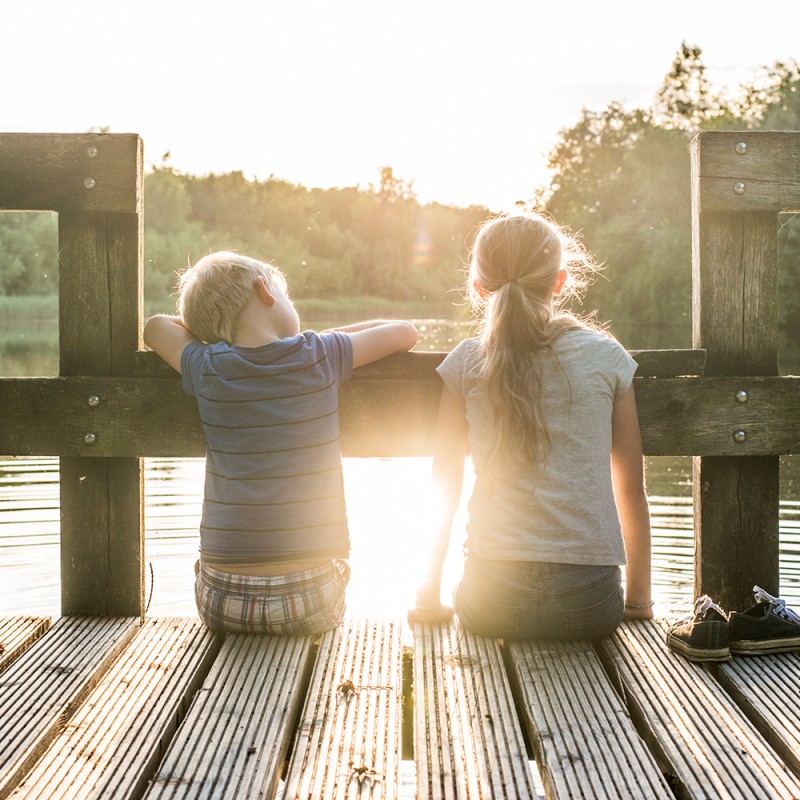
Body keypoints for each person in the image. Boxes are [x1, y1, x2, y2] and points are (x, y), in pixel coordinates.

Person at [144, 251, 418, 635]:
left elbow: (155, 327)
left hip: (221, 602)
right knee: (335, 568)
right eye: (286, 294)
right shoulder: (318, 354)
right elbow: (405, 333)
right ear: (264, 291)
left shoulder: (207, 365)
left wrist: (209, 331)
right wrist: (325, 339)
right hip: (309, 601)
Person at [408, 212, 652, 639]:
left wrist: (428, 597)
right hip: (591, 606)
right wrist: (638, 603)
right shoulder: (606, 357)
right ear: (559, 282)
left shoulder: (467, 362)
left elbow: (444, 485)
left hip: (492, 602)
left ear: (480, 289)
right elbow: (630, 490)